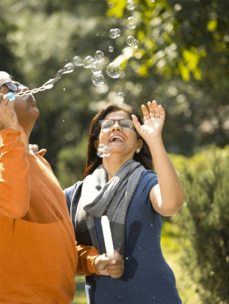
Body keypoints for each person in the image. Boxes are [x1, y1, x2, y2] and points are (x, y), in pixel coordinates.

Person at [0, 71, 123, 303]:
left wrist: (92, 262)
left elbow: (56, 242)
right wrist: (10, 133)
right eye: (10, 87)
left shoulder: (38, 161)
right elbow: (15, 205)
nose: (25, 89)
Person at [64, 101, 185, 303]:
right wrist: (94, 262)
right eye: (108, 123)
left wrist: (154, 140)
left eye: (126, 124)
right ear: (96, 144)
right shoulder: (73, 195)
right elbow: (59, 251)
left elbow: (171, 204)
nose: (117, 126)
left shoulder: (146, 182)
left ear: (138, 144)